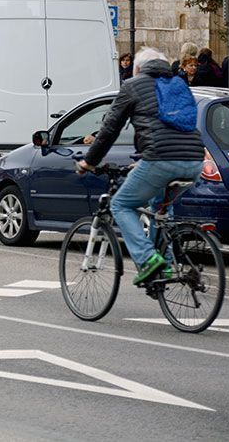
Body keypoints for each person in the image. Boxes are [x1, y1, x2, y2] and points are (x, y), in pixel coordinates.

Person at [77, 47, 205, 285]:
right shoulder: (178, 84)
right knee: (160, 208)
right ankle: (165, 267)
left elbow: (109, 129)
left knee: (121, 205)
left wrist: (89, 161)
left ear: (137, 69)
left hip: (160, 159)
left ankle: (148, 258)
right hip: (195, 161)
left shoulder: (133, 85)